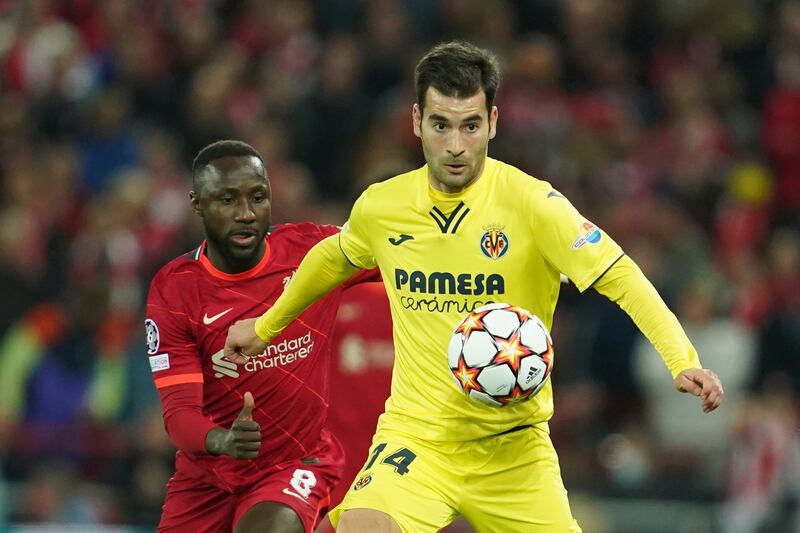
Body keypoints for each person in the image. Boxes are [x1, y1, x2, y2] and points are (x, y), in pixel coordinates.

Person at [224, 41, 724, 532]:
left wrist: (681, 358)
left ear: (493, 123)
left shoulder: (534, 205)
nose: (456, 145)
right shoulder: (382, 206)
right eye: (441, 125)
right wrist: (267, 327)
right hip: (417, 441)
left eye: (470, 125)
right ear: (418, 121)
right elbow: (334, 257)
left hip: (513, 450)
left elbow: (620, 275)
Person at [145, 140, 377, 532]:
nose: (246, 214)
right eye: (227, 201)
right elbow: (179, 414)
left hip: (297, 462)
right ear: (197, 203)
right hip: (207, 480)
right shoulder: (175, 291)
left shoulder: (312, 253)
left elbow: (401, 256)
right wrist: (222, 440)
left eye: (257, 197)